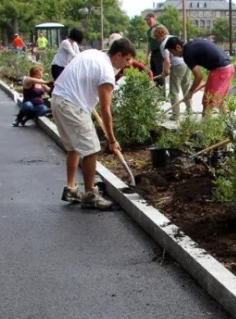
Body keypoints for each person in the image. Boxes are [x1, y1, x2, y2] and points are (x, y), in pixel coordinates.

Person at [51, 38, 136, 210]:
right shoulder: (106, 72)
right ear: (118, 55)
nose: (128, 64)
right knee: (91, 149)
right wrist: (112, 140)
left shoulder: (93, 53)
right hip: (72, 105)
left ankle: (71, 188)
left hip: (57, 98)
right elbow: (105, 109)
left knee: (74, 148)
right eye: (127, 59)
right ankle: (90, 194)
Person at [164, 37, 234, 117]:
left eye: (172, 52)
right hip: (228, 68)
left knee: (207, 103)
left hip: (220, 71)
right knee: (219, 100)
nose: (173, 55)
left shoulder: (187, 54)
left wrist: (190, 92)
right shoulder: (191, 44)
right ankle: (229, 123)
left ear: (178, 47)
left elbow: (199, 77)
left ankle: (205, 127)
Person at [151, 26, 191, 120]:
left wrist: (165, 72)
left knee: (174, 91)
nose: (157, 40)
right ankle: (189, 109)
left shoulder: (164, 44)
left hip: (177, 66)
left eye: (156, 38)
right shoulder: (173, 37)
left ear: (159, 35)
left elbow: (167, 61)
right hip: (187, 63)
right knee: (186, 87)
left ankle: (175, 114)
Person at [144, 13, 164, 88]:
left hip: (160, 52)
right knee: (154, 72)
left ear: (154, 18)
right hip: (154, 53)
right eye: (146, 20)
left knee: (160, 73)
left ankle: (162, 93)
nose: (148, 22)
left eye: (149, 20)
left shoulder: (160, 27)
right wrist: (146, 57)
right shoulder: (149, 31)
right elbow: (149, 44)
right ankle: (157, 91)